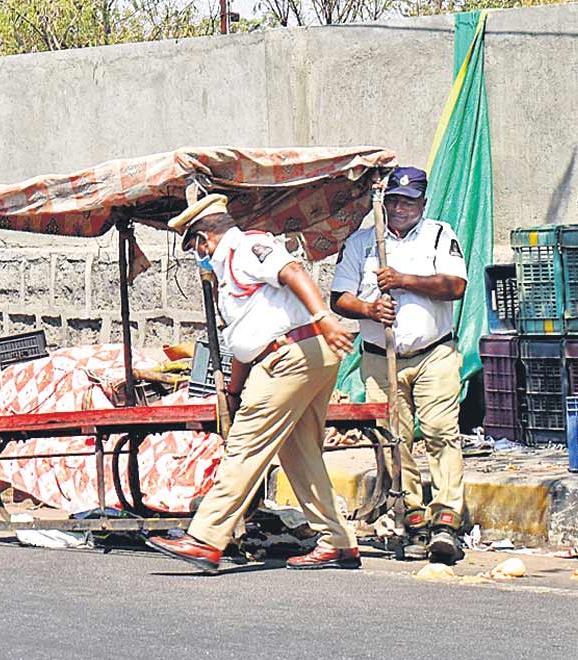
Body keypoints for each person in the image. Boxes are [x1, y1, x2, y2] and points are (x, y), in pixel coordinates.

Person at [146, 194, 360, 574]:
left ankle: (206, 538)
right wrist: (232, 390)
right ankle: (338, 541)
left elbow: (293, 271)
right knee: (299, 453)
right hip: (296, 354)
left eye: (194, 246)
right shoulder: (230, 271)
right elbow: (245, 343)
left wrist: (324, 316)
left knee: (244, 446)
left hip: (290, 355)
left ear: (204, 239)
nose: (198, 255)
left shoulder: (245, 248)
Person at [329, 166, 468, 563]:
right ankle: (413, 517)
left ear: (422, 203)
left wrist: (404, 280)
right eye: (394, 201)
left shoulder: (440, 235)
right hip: (380, 358)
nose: (400, 208)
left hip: (433, 353)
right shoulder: (362, 242)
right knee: (394, 439)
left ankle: (446, 520)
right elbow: (338, 298)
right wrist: (369, 308)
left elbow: (455, 287)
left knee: (441, 432)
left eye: (408, 202)